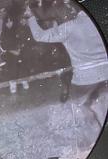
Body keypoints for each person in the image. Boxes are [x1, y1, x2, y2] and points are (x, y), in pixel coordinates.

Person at [25, 4, 108, 148]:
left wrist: (30, 17)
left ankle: (96, 139)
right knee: (102, 104)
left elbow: (40, 36)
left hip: (85, 79)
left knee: (81, 107)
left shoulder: (69, 28)